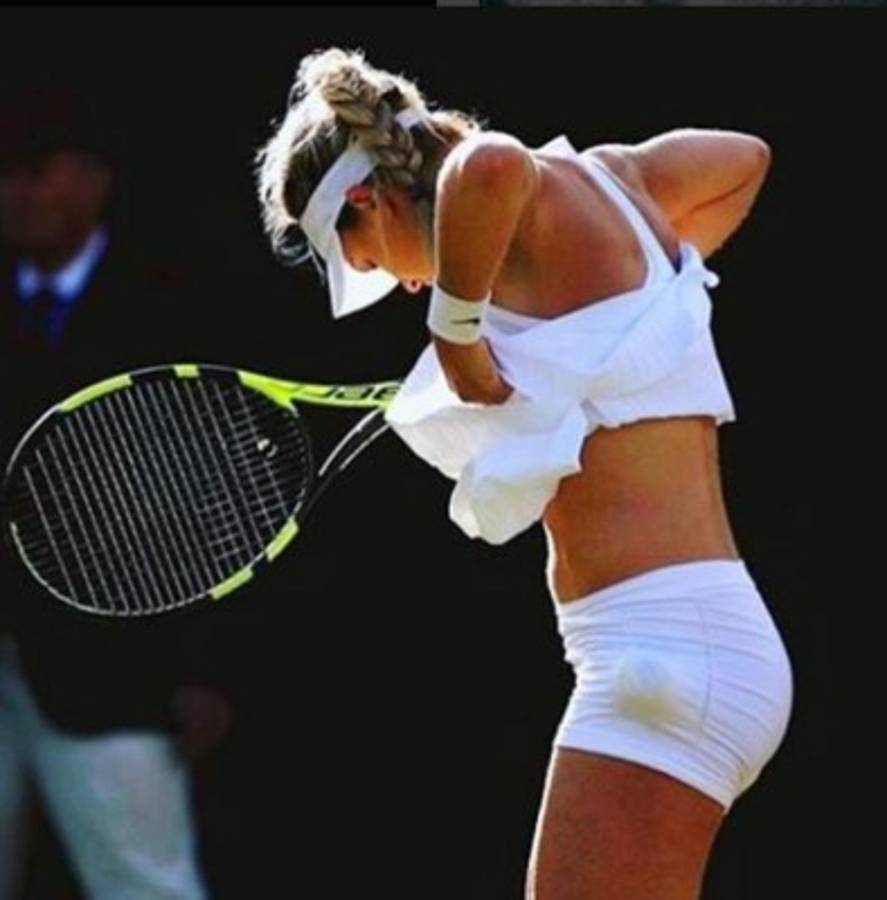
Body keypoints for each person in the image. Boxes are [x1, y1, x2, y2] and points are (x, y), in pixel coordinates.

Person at [255, 48, 794, 900]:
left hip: (661, 659)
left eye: (363, 258)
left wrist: (456, 334)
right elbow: (741, 158)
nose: (389, 282)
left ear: (365, 199)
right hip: (699, 650)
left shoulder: (506, 195)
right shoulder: (615, 183)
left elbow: (491, 163)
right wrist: (625, 320)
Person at [0, 83, 230, 900]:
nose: (17, 193)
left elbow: (215, 502)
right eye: (6, 175)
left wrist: (205, 668)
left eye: (36, 171)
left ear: (92, 179)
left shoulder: (167, 307)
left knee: (146, 887)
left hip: (113, 675)